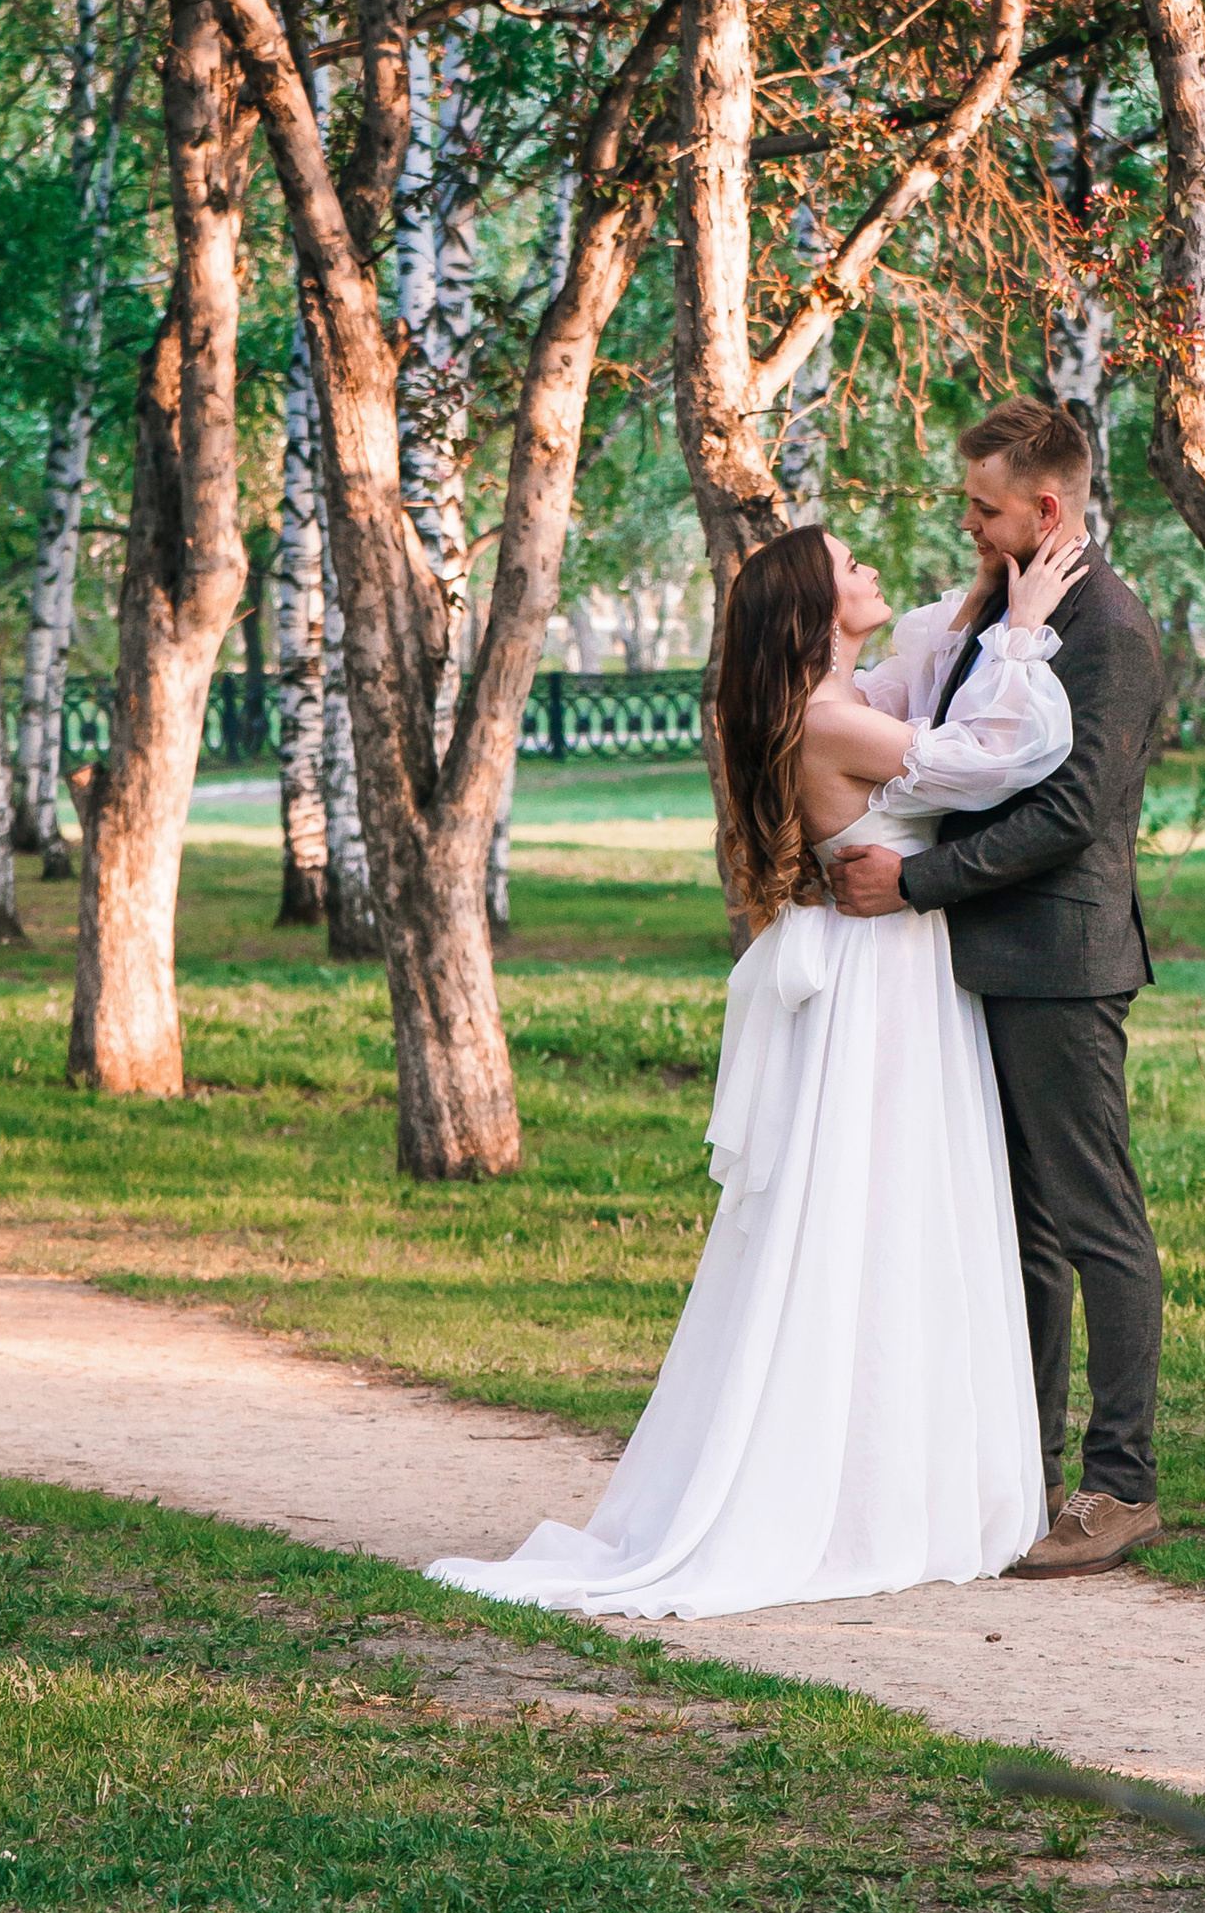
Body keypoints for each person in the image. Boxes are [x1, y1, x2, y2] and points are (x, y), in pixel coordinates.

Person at [427, 514, 1088, 1618]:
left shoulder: (833, 701)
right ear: (814, 612)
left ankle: (892, 1476)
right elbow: (998, 757)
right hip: (880, 980)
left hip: (883, 968)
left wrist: (984, 603)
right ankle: (862, 1495)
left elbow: (924, 677)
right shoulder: (830, 720)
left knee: (884, 1208)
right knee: (877, 1210)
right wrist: (1021, 635)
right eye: (849, 566)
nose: (870, 569)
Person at [827, 397, 1168, 1578]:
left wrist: (916, 882)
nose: (968, 524)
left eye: (983, 507)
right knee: (1020, 1233)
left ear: (1046, 507)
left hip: (1060, 963)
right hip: (985, 957)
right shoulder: (1007, 603)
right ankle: (1021, 1474)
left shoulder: (1109, 629)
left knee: (1094, 1223)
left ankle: (1121, 1486)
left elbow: (1069, 813)